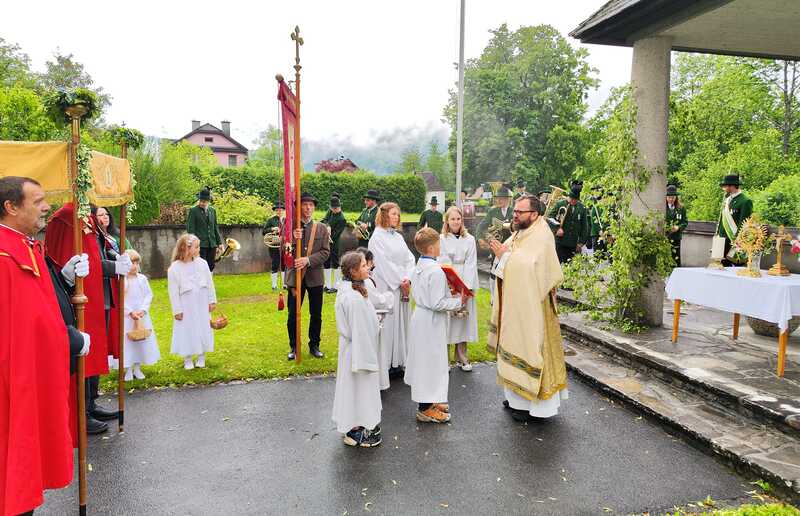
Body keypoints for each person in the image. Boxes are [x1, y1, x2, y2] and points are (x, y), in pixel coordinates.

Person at [0, 176, 87, 515]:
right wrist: (71, 339)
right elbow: (24, 325)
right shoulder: (6, 256)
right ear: (11, 207)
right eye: (37, 201)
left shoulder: (23, 246)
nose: (47, 207)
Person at [47, 202, 131, 433]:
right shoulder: (67, 217)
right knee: (84, 354)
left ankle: (91, 402)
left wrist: (115, 256)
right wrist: (114, 267)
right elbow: (83, 261)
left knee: (95, 352)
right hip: (84, 298)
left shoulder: (89, 216)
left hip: (100, 296)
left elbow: (98, 251)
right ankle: (81, 411)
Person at [489, 195, 568, 422]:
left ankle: (533, 406)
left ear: (534, 214)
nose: (515, 215)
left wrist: (506, 256)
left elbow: (532, 267)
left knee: (530, 348)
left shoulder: (542, 236)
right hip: (517, 305)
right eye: (514, 211)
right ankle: (516, 398)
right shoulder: (522, 231)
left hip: (534, 308)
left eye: (520, 212)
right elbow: (515, 257)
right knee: (515, 344)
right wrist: (504, 255)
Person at [404, 227, 466, 423]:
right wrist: (459, 301)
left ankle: (430, 400)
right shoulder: (436, 272)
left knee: (426, 360)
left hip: (421, 317)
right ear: (431, 248)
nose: (441, 246)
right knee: (430, 362)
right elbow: (437, 303)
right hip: (431, 320)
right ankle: (424, 409)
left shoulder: (419, 266)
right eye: (439, 243)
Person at [331, 251, 383, 448]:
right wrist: (367, 362)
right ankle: (358, 429)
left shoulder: (353, 292)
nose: (367, 267)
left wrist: (374, 321)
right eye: (363, 266)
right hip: (358, 354)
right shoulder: (353, 298)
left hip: (353, 350)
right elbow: (360, 332)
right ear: (353, 271)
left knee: (353, 391)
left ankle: (356, 425)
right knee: (359, 391)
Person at [369, 202, 415, 379]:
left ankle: (400, 361)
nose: (397, 217)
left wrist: (408, 279)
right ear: (384, 215)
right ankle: (387, 362)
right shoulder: (377, 238)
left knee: (403, 323)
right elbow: (382, 264)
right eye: (393, 214)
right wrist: (400, 281)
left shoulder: (397, 237)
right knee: (389, 325)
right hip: (387, 286)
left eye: (398, 214)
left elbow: (410, 259)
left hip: (402, 285)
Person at [286, 192, 331, 360]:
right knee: (292, 315)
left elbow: (326, 252)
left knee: (316, 314)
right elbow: (283, 250)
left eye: (311, 205)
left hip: (315, 278)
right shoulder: (290, 227)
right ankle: (294, 347)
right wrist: (291, 238)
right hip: (295, 278)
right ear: (298, 207)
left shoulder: (321, 228)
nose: (308, 208)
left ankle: (314, 345)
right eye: (304, 204)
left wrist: (308, 260)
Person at [168, 233, 217, 370]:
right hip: (186, 304)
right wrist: (177, 310)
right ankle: (187, 357)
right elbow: (173, 292)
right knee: (187, 328)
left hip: (201, 302)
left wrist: (212, 300)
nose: (199, 249)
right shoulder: (174, 268)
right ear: (186, 248)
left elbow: (209, 283)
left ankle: (201, 355)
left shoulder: (202, 264)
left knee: (202, 326)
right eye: (196, 247)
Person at [439, 206, 478, 372]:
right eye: (452, 219)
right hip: (448, 280)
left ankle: (461, 354)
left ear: (462, 221)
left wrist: (466, 288)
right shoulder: (441, 238)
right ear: (447, 221)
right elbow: (443, 259)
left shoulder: (469, 239)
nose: (455, 222)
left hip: (465, 280)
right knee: (448, 320)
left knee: (463, 319)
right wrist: (452, 285)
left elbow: (471, 263)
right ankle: (445, 357)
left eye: (458, 219)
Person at [356, 247, 394, 390]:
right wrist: (389, 296)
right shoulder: (366, 282)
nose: (366, 267)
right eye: (363, 265)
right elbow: (378, 301)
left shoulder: (365, 280)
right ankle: (376, 383)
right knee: (375, 353)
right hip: (371, 322)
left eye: (366, 264)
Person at [122, 249, 160, 381]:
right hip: (127, 318)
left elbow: (148, 294)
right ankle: (127, 369)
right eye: (132, 263)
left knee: (140, 341)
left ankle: (137, 367)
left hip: (141, 316)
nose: (135, 266)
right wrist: (129, 312)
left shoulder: (142, 279)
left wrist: (143, 310)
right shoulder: (122, 281)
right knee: (127, 342)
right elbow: (120, 298)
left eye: (137, 263)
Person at [477, 186, 514, 302]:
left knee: (509, 273)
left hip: (511, 249)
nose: (499, 201)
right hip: (496, 247)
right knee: (494, 271)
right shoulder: (492, 211)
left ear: (508, 199)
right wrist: (480, 238)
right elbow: (481, 226)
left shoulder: (513, 211)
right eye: (498, 198)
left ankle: (507, 297)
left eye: (502, 198)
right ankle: (493, 298)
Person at [718, 174, 753, 266]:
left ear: (732, 186)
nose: (724, 188)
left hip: (735, 242)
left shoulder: (745, 201)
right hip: (723, 240)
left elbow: (744, 224)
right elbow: (722, 221)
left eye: (726, 186)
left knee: (733, 268)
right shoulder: (727, 200)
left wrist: (737, 241)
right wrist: (719, 235)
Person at [548, 187, 589, 264]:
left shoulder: (582, 208)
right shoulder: (560, 204)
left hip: (573, 243)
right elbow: (550, 218)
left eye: (575, 200)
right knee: (557, 265)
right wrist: (557, 229)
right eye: (571, 199)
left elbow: (584, 227)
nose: (573, 201)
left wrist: (581, 242)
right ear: (569, 197)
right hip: (560, 241)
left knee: (571, 267)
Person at [186, 186, 223, 272]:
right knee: (201, 266)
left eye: (204, 201)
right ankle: (200, 284)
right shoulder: (193, 211)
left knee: (211, 265)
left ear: (208, 201)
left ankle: (209, 283)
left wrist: (219, 243)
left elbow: (215, 227)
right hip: (200, 245)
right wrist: (193, 244)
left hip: (212, 244)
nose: (202, 203)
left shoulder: (212, 210)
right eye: (201, 201)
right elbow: (190, 229)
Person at [322, 195, 346, 293]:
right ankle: (327, 285)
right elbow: (324, 220)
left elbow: (336, 235)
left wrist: (328, 234)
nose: (334, 210)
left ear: (339, 207)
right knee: (326, 262)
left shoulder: (342, 219)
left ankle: (336, 286)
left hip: (334, 243)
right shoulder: (330, 212)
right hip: (326, 241)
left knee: (335, 263)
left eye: (335, 208)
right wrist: (327, 226)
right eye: (332, 208)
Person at [262, 200, 285, 291]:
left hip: (284, 245)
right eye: (277, 210)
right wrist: (272, 229)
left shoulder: (287, 220)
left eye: (281, 210)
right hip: (274, 245)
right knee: (275, 264)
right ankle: (274, 285)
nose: (279, 211)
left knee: (284, 264)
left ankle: (284, 284)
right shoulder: (271, 220)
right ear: (275, 211)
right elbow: (263, 231)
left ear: (283, 210)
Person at [666, 185, 688, 267]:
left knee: (676, 258)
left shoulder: (681, 208)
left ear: (676, 197)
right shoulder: (662, 207)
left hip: (676, 237)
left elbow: (685, 222)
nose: (671, 199)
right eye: (669, 197)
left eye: (673, 197)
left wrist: (678, 227)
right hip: (665, 237)